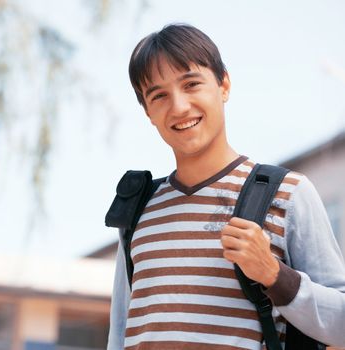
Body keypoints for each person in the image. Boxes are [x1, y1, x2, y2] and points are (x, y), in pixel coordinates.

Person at [107, 23, 345, 350]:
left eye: (191, 84)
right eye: (159, 95)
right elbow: (120, 331)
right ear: (148, 111)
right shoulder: (139, 207)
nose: (178, 107)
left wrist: (275, 274)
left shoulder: (288, 194)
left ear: (224, 85)